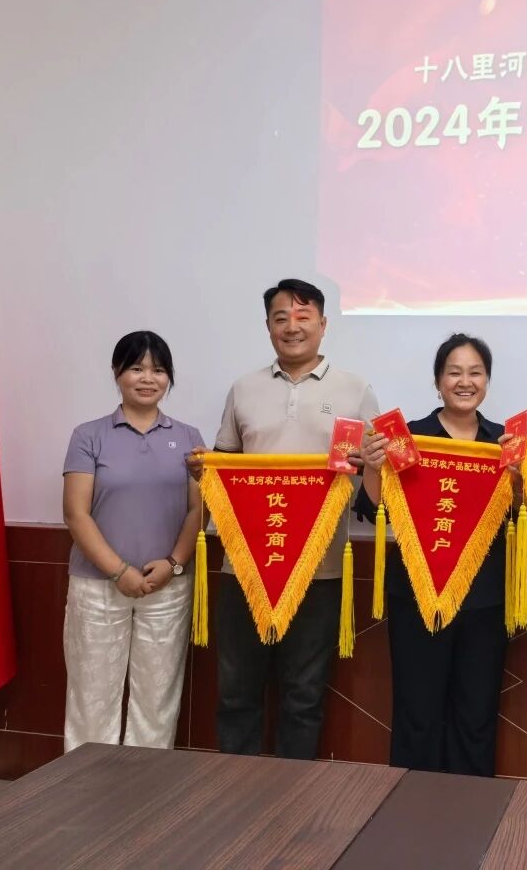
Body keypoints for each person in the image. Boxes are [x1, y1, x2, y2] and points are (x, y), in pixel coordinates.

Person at [189, 279, 379, 759]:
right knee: (237, 693)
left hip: (320, 569)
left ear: (323, 324)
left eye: (303, 317)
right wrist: (204, 470)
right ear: (268, 326)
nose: (292, 327)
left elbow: (378, 479)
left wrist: (371, 463)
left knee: (303, 696)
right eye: (281, 318)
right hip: (244, 567)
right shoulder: (244, 389)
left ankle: (293, 794)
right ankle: (236, 788)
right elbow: (225, 465)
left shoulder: (356, 390)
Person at [356, 334, 515, 776]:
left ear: (487, 381)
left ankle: (468, 803)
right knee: (418, 711)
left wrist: (520, 479)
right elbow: (375, 508)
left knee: (476, 713)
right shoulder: (409, 437)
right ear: (437, 381)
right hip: (417, 595)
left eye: (475, 372)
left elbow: (521, 512)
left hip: (484, 598)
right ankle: (410, 802)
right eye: (454, 372)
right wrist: (373, 466)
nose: (465, 382)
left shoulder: (502, 442)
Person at [62, 331, 203, 751]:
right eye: (136, 368)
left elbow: (199, 510)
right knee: (91, 699)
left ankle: (147, 787)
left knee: (156, 702)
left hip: (168, 587)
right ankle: (87, 786)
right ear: (117, 373)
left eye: (158, 370)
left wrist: (173, 564)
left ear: (169, 377)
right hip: (97, 587)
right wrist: (119, 571)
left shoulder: (189, 438)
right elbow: (76, 513)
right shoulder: (89, 435)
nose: (147, 378)